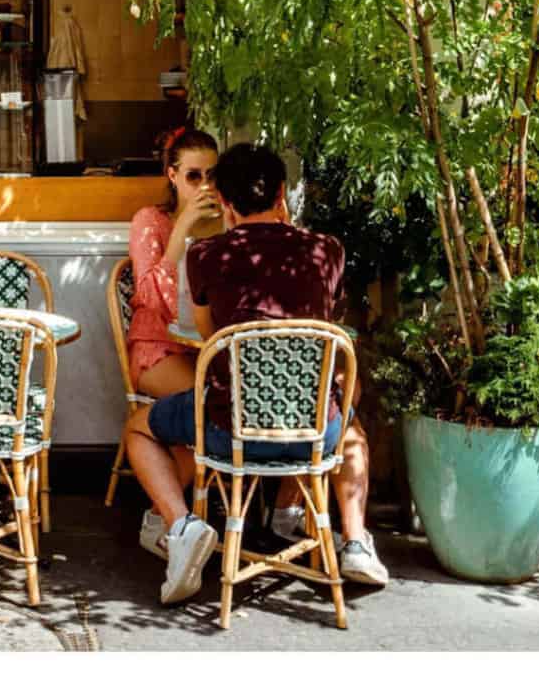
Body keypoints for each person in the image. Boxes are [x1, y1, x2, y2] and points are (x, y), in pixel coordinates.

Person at [123, 142, 389, 604]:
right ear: (282, 193)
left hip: (230, 431)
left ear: (224, 202)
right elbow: (330, 323)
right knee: (351, 425)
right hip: (314, 433)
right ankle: (354, 542)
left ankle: (182, 527)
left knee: (138, 431)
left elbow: (211, 337)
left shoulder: (206, 255)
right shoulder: (327, 250)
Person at [124, 127, 221, 560]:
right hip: (159, 348)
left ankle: (167, 516)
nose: (205, 186)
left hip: (213, 349)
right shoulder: (152, 222)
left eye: (213, 176)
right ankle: (166, 519)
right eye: (194, 176)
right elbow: (148, 296)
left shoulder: (228, 222)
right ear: (173, 175)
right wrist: (182, 229)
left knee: (222, 407)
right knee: (209, 410)